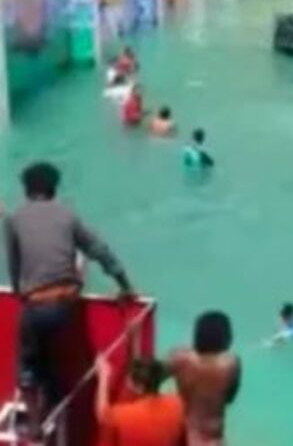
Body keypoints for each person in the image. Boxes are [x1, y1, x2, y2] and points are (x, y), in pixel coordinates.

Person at [6, 162, 134, 427]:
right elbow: (99, 250)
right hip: (66, 305)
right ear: (53, 189)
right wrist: (124, 284)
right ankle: (55, 398)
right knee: (52, 353)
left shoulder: (14, 219)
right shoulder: (68, 216)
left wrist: (23, 296)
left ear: (26, 190)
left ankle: (34, 425)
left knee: (27, 364)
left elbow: (14, 269)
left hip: (37, 305)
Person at [167, 311, 240, 446]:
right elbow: (230, 398)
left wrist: (133, 339)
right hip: (214, 440)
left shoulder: (179, 358)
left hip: (185, 438)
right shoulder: (231, 364)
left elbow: (148, 377)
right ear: (225, 337)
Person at [95, 356, 185, 446]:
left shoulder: (121, 416)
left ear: (139, 387)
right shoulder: (178, 404)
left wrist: (103, 377)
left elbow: (104, 416)